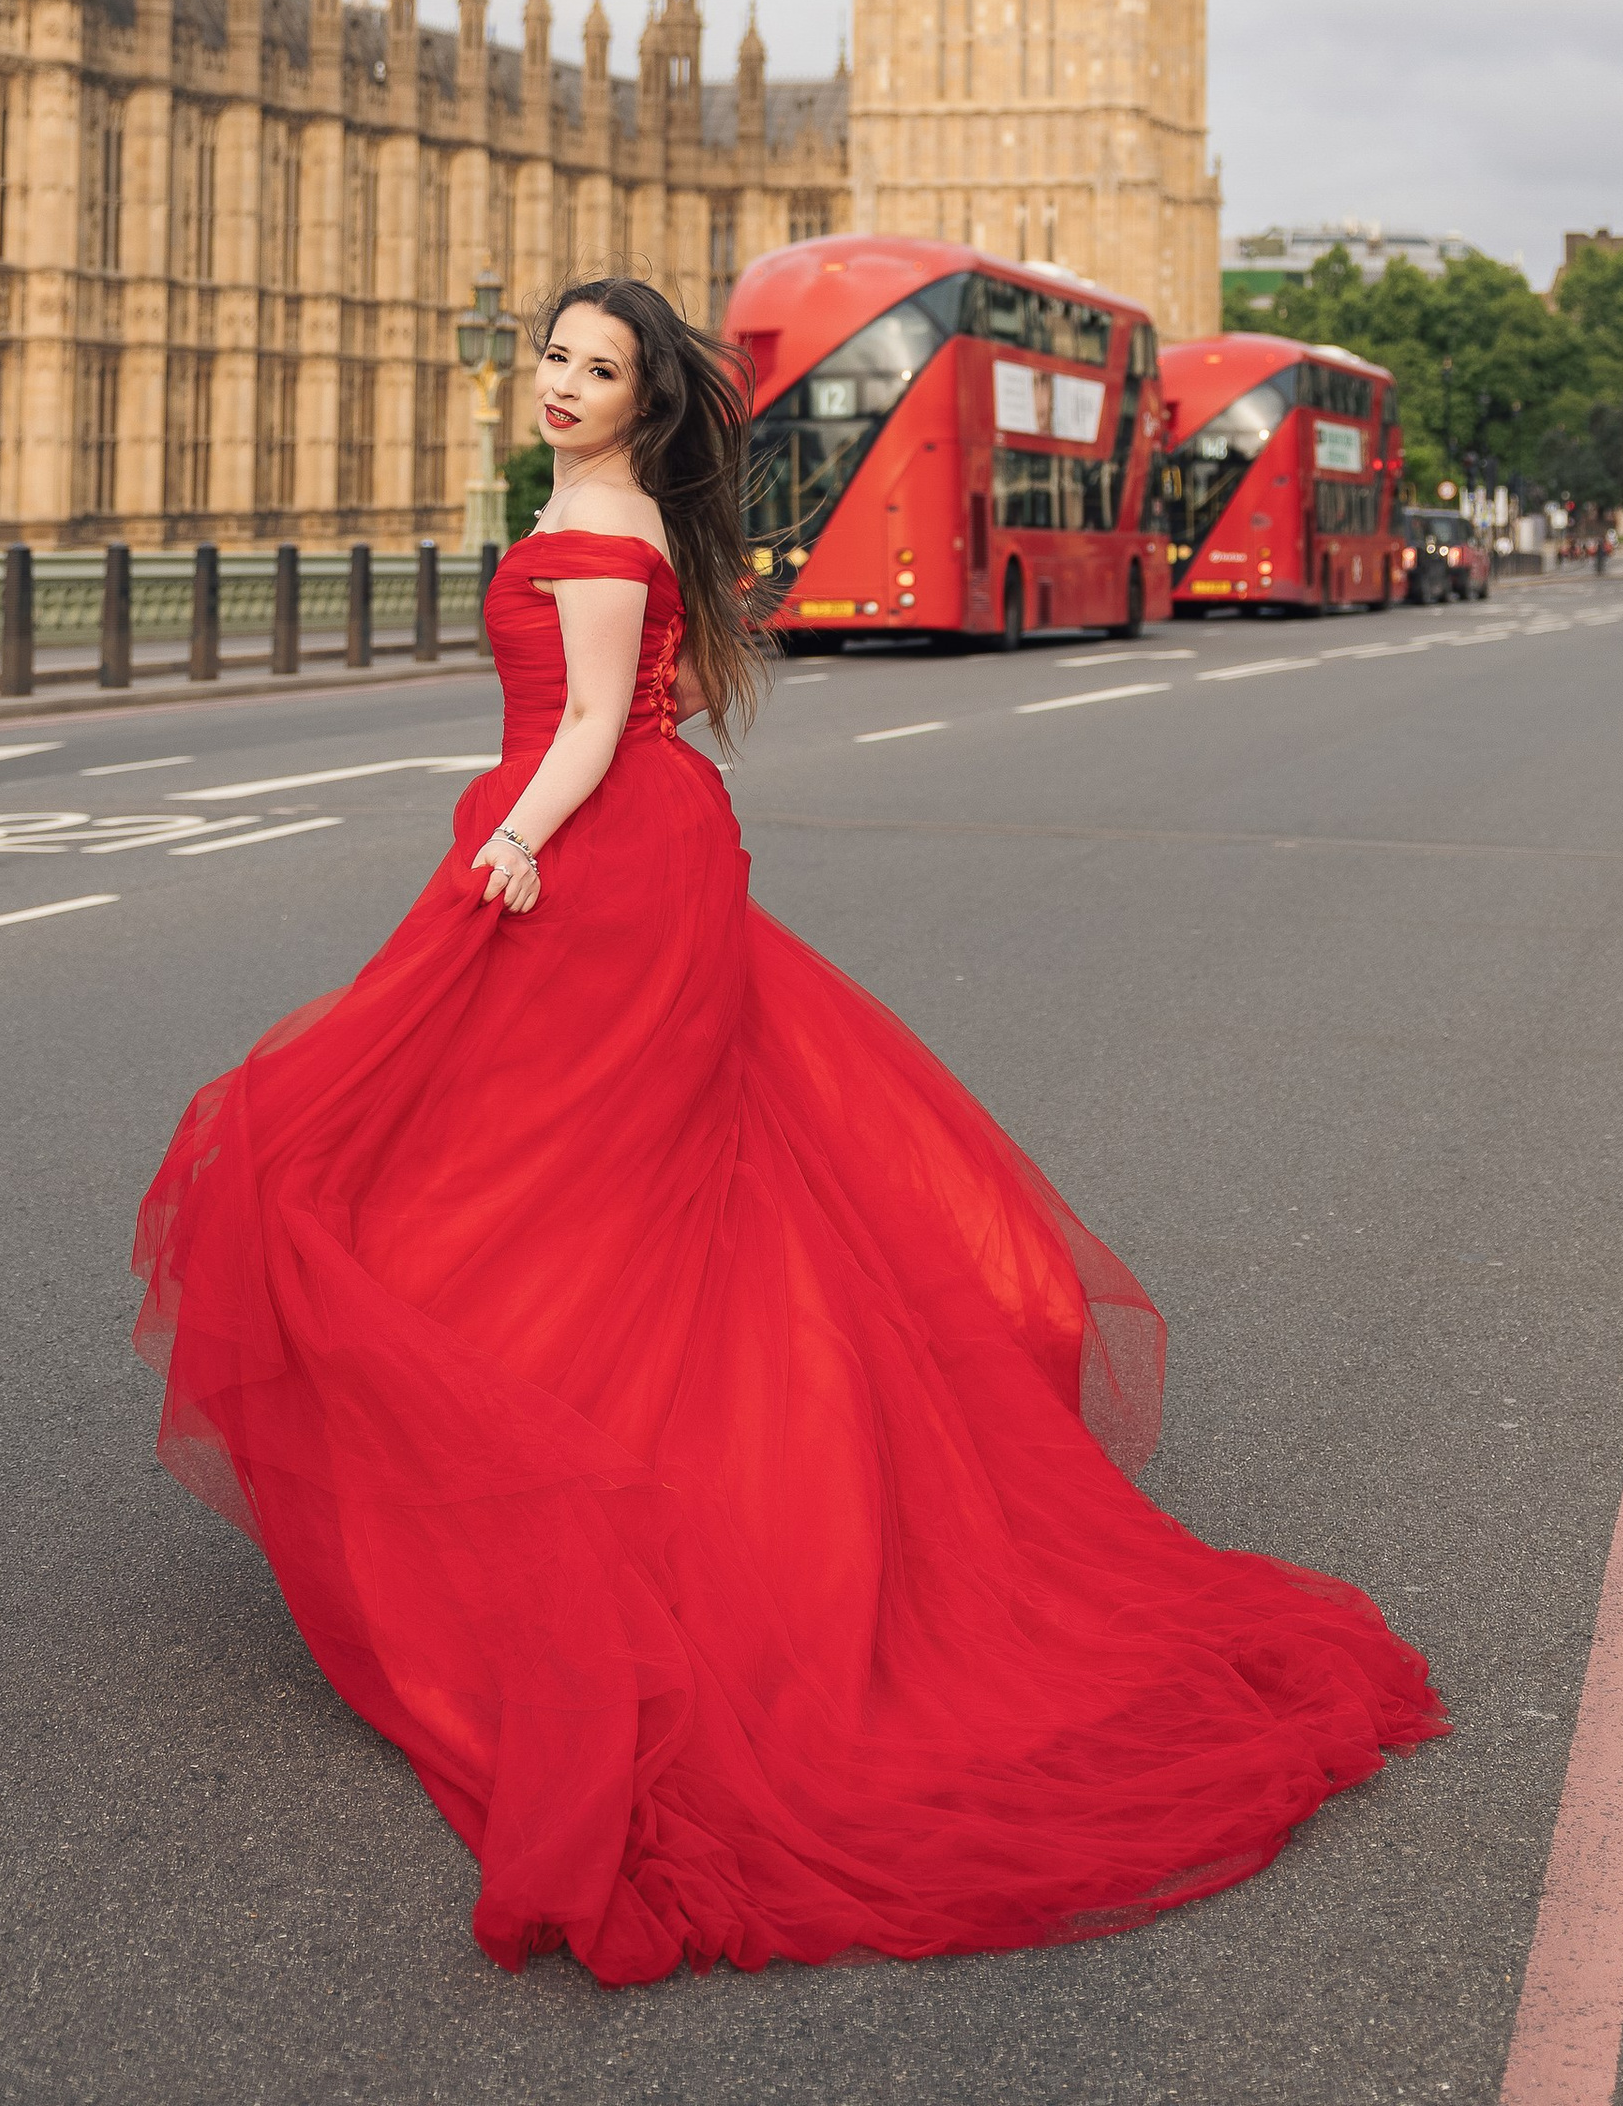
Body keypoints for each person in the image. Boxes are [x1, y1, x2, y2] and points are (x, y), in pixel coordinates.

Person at [132, 277, 1442, 1985]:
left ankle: (610, 1497)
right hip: (636, 843)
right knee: (614, 1175)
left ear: (644, 400)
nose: (565, 384)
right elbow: (631, 716)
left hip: (588, 851)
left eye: (600, 369)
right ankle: (577, 1452)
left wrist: (511, 844)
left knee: (537, 1167)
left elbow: (596, 723)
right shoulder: (598, 505)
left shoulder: (603, 530)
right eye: (556, 357)